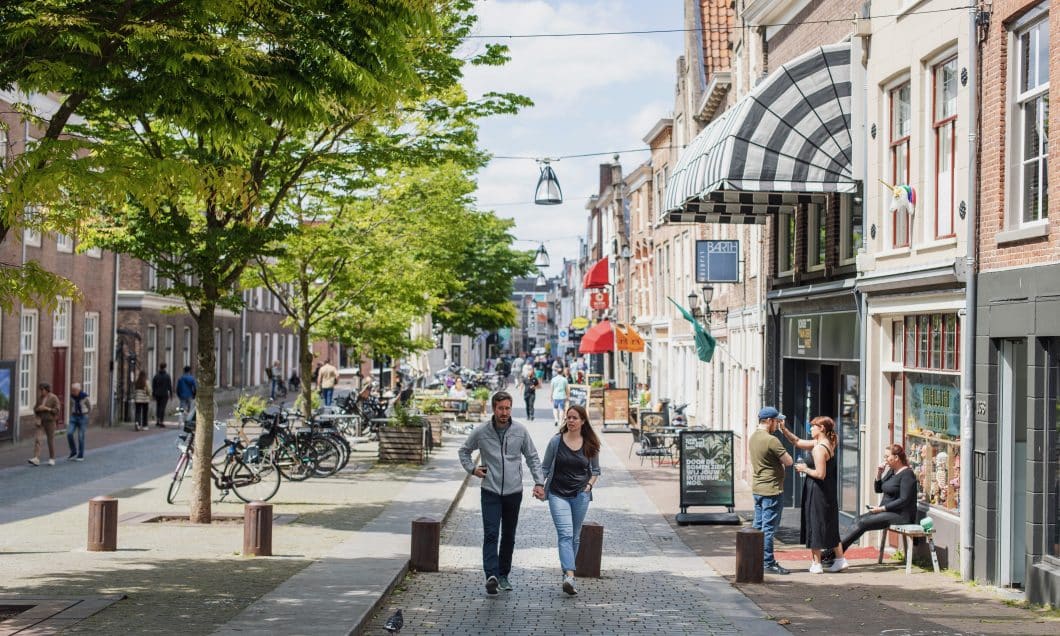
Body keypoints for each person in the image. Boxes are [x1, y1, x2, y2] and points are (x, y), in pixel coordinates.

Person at [457, 391, 545, 596]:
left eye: (507, 408)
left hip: (514, 492)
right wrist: (472, 469)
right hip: (490, 491)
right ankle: (491, 575)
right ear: (493, 409)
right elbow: (464, 451)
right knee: (491, 533)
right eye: (500, 408)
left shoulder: (520, 431)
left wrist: (539, 482)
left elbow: (532, 457)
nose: (504, 412)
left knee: (508, 536)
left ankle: (503, 574)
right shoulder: (481, 432)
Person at [539, 404, 601, 596]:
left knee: (574, 536)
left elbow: (596, 471)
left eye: (575, 418)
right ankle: (570, 575)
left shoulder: (590, 443)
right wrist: (539, 485)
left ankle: (567, 572)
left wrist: (589, 486)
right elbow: (545, 467)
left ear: (583, 421)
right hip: (557, 493)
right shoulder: (556, 442)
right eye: (569, 417)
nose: (571, 421)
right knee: (565, 534)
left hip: (580, 495)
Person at [822, 444, 918, 566]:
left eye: (887, 456)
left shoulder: (907, 475)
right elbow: (879, 489)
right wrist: (879, 474)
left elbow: (904, 500)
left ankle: (831, 553)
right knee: (858, 519)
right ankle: (835, 554)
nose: (885, 459)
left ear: (896, 458)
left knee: (863, 523)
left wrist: (882, 508)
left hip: (901, 515)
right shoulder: (892, 471)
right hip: (886, 511)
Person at [780, 415, 847, 573]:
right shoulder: (827, 443)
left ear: (821, 428)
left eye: (813, 426)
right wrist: (784, 429)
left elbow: (820, 474)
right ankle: (840, 559)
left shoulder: (818, 448)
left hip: (817, 490)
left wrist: (804, 469)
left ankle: (816, 564)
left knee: (814, 523)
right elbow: (797, 442)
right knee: (830, 523)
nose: (810, 429)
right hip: (828, 490)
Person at [749, 406, 794, 575]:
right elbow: (788, 461)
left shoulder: (753, 437)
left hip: (758, 488)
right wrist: (783, 434)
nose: (778, 424)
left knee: (758, 526)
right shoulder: (771, 440)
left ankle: (753, 558)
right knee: (768, 529)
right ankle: (768, 562)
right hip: (771, 490)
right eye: (777, 421)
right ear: (769, 421)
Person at [29, 382, 61, 466]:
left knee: (50, 440)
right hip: (41, 421)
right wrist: (38, 409)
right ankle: (36, 458)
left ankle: (52, 458)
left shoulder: (54, 398)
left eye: (42, 390)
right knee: (38, 439)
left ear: (46, 390)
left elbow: (57, 410)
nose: (41, 392)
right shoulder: (40, 398)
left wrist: (47, 408)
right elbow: (35, 408)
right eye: (40, 390)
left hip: (50, 421)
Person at [66, 382, 91, 461]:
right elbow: (71, 405)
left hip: (83, 417)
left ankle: (80, 455)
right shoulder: (71, 397)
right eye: (72, 390)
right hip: (74, 416)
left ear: (79, 390)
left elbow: (90, 406)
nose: (73, 392)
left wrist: (87, 413)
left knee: (80, 436)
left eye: (75, 390)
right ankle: (73, 451)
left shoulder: (84, 397)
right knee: (69, 433)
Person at [150, 363, 173, 428]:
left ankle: (157, 420)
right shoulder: (167, 376)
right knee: (162, 408)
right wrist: (171, 394)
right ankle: (161, 421)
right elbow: (169, 386)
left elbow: (153, 386)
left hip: (157, 394)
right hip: (164, 394)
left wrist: (153, 394)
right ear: (165, 367)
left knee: (158, 407)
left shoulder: (156, 376)